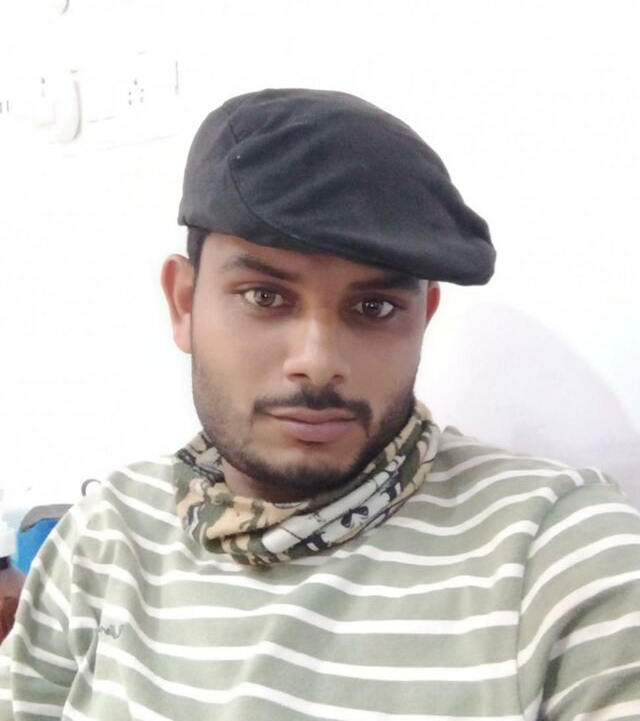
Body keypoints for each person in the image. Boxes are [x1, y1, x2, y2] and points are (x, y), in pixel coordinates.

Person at [1, 88, 639, 720]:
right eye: (264, 296)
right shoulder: (105, 535)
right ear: (184, 304)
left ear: (423, 318)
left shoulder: (554, 554)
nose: (318, 359)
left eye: (374, 307)